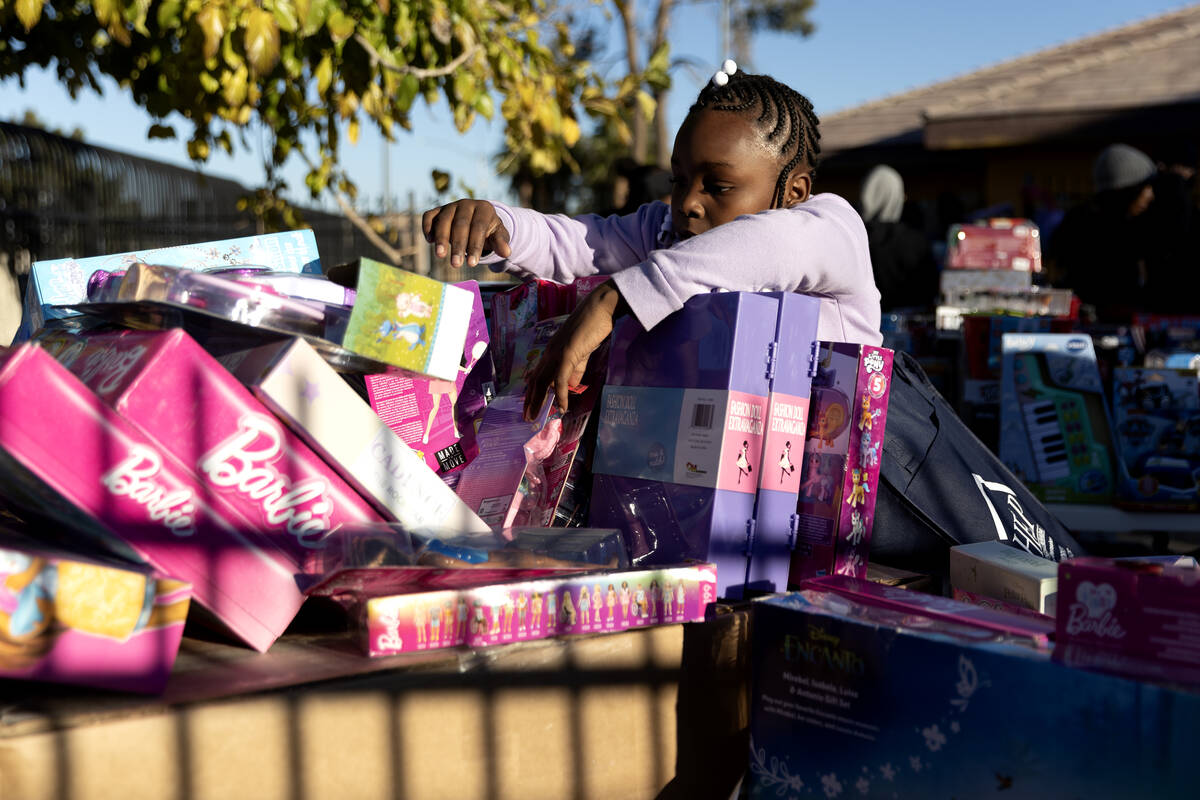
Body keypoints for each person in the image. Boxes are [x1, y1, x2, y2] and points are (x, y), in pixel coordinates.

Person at [422, 60, 881, 419]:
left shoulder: (830, 228)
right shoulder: (664, 234)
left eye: (718, 187)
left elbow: (768, 246)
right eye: (679, 180)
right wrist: (502, 225)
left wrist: (612, 300)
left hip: (853, 500)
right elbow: (579, 242)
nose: (689, 204)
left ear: (794, 191)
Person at [1049, 143, 1167, 321]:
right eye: (1146, 187)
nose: (1151, 195)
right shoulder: (1101, 230)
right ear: (1127, 191)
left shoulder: (1080, 219)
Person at [858, 165, 938, 312]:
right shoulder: (914, 241)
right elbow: (930, 290)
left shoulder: (852, 237)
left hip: (859, 326)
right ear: (896, 196)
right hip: (907, 326)